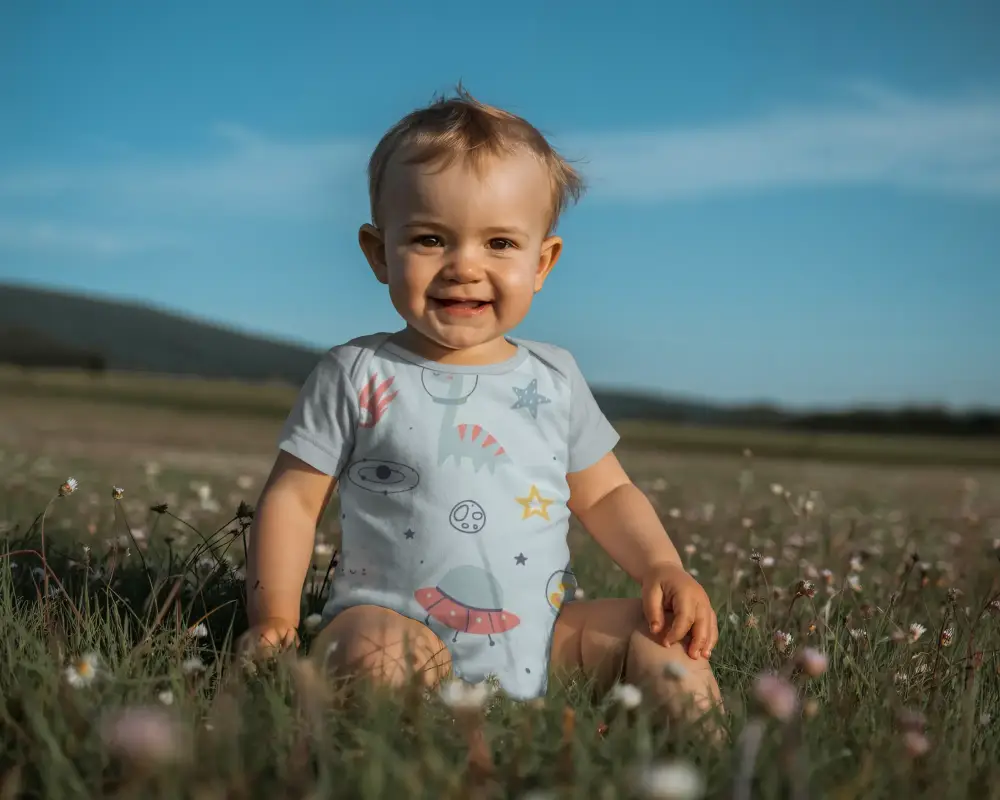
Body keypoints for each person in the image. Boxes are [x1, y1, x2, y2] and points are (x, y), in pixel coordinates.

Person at [241, 87, 723, 728]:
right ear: (379, 253)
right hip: (392, 624)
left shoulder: (554, 378)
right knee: (379, 653)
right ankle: (404, 751)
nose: (464, 267)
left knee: (661, 639)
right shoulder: (356, 373)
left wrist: (661, 565)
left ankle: (706, 755)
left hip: (541, 639)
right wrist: (274, 619)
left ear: (542, 263)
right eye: (430, 239)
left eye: (499, 243)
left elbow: (607, 493)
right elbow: (293, 501)